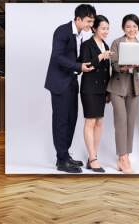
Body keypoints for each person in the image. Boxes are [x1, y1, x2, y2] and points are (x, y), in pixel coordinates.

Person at [44, 4, 96, 173]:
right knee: (61, 121)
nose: (90, 25)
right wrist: (79, 66)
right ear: (78, 19)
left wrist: (88, 62)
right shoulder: (62, 31)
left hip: (72, 81)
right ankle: (61, 160)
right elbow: (57, 56)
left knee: (72, 119)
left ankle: (65, 155)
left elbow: (77, 58)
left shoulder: (80, 34)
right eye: (88, 21)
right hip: (59, 83)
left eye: (92, 21)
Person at [106, 14, 139, 174]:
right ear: (123, 28)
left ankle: (126, 155)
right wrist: (125, 65)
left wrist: (137, 65)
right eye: (128, 26)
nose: (131, 29)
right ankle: (122, 158)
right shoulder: (116, 43)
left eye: (134, 26)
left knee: (130, 122)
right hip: (117, 87)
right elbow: (113, 65)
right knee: (120, 121)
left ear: (138, 28)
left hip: (133, 88)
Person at [79, 15, 113, 173]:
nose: (106, 31)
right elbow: (86, 65)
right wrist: (100, 56)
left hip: (101, 90)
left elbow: (107, 72)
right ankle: (93, 159)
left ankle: (93, 156)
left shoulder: (105, 44)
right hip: (89, 89)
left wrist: (108, 91)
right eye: (103, 28)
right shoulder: (86, 45)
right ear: (94, 28)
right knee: (90, 122)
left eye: (107, 28)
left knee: (99, 123)